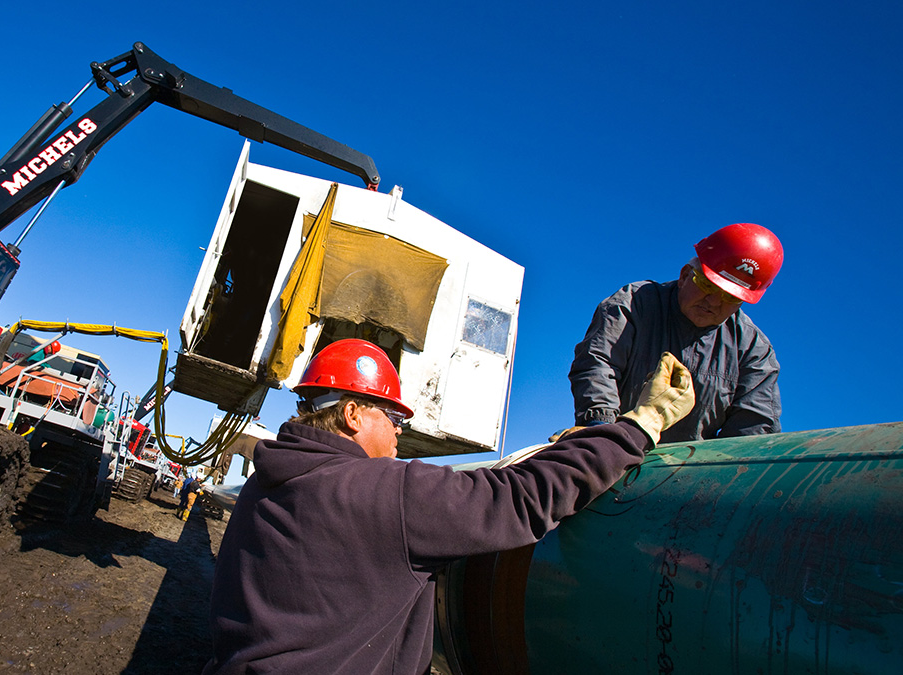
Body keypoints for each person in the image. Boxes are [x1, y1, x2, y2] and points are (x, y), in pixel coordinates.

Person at [203, 339, 695, 674]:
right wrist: (641, 423)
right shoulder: (387, 492)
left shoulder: (266, 483)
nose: (402, 430)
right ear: (353, 414)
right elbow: (520, 498)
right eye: (393, 415)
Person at [566, 222, 783, 443]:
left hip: (693, 470)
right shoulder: (634, 304)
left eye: (731, 297)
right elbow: (599, 363)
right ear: (685, 275)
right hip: (617, 445)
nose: (714, 302)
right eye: (708, 285)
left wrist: (723, 467)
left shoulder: (753, 348)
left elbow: (754, 423)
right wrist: (601, 431)